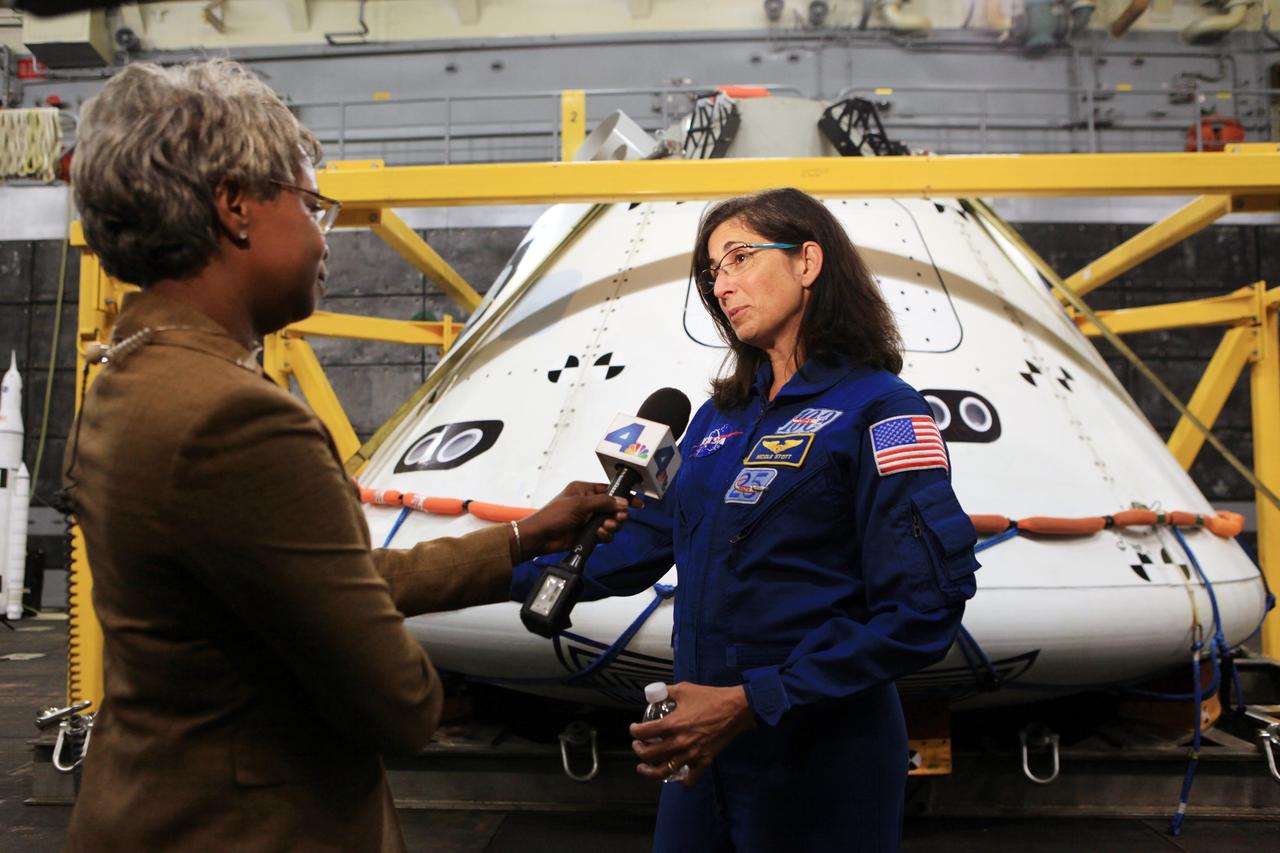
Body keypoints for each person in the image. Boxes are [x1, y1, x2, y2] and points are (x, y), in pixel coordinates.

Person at [63, 59, 630, 852]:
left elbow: (318, 579)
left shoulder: (130, 373)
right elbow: (394, 699)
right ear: (236, 207)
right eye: (313, 204)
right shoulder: (239, 419)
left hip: (146, 804)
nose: (323, 237)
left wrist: (520, 538)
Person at [513, 188, 980, 852]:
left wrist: (749, 701)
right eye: (712, 271)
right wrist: (492, 565)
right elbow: (640, 542)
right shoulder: (716, 420)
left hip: (817, 759)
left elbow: (923, 611)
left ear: (808, 262)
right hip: (702, 755)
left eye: (738, 258)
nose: (722, 284)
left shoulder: (883, 412)